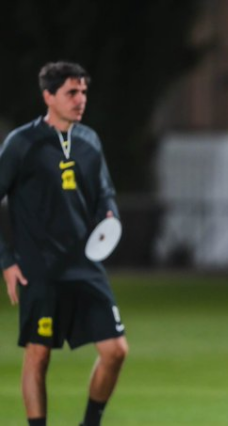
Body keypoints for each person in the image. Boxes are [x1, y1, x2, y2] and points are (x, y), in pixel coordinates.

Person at [0, 62, 128, 426]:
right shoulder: (21, 144)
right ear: (48, 96)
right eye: (72, 92)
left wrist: (109, 216)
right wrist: (7, 261)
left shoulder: (89, 140)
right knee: (38, 356)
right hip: (39, 269)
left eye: (84, 91)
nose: (80, 99)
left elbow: (105, 194)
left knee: (115, 351)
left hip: (85, 265)